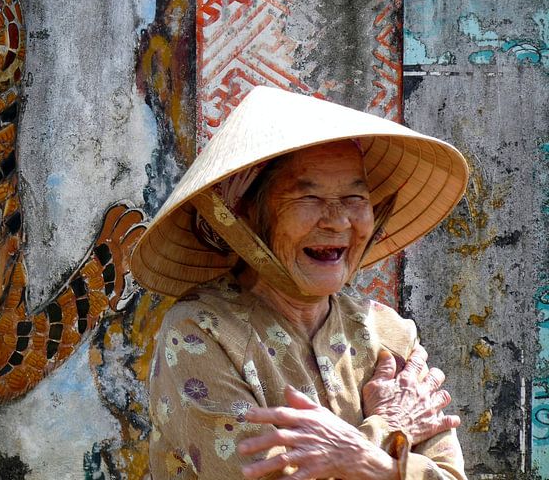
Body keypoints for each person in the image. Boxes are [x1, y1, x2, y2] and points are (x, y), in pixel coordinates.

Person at [130, 86, 468, 479]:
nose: (339, 221)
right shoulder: (201, 331)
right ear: (247, 217)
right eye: (308, 198)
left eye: (355, 198)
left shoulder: (389, 335)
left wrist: (364, 457)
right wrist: (389, 431)